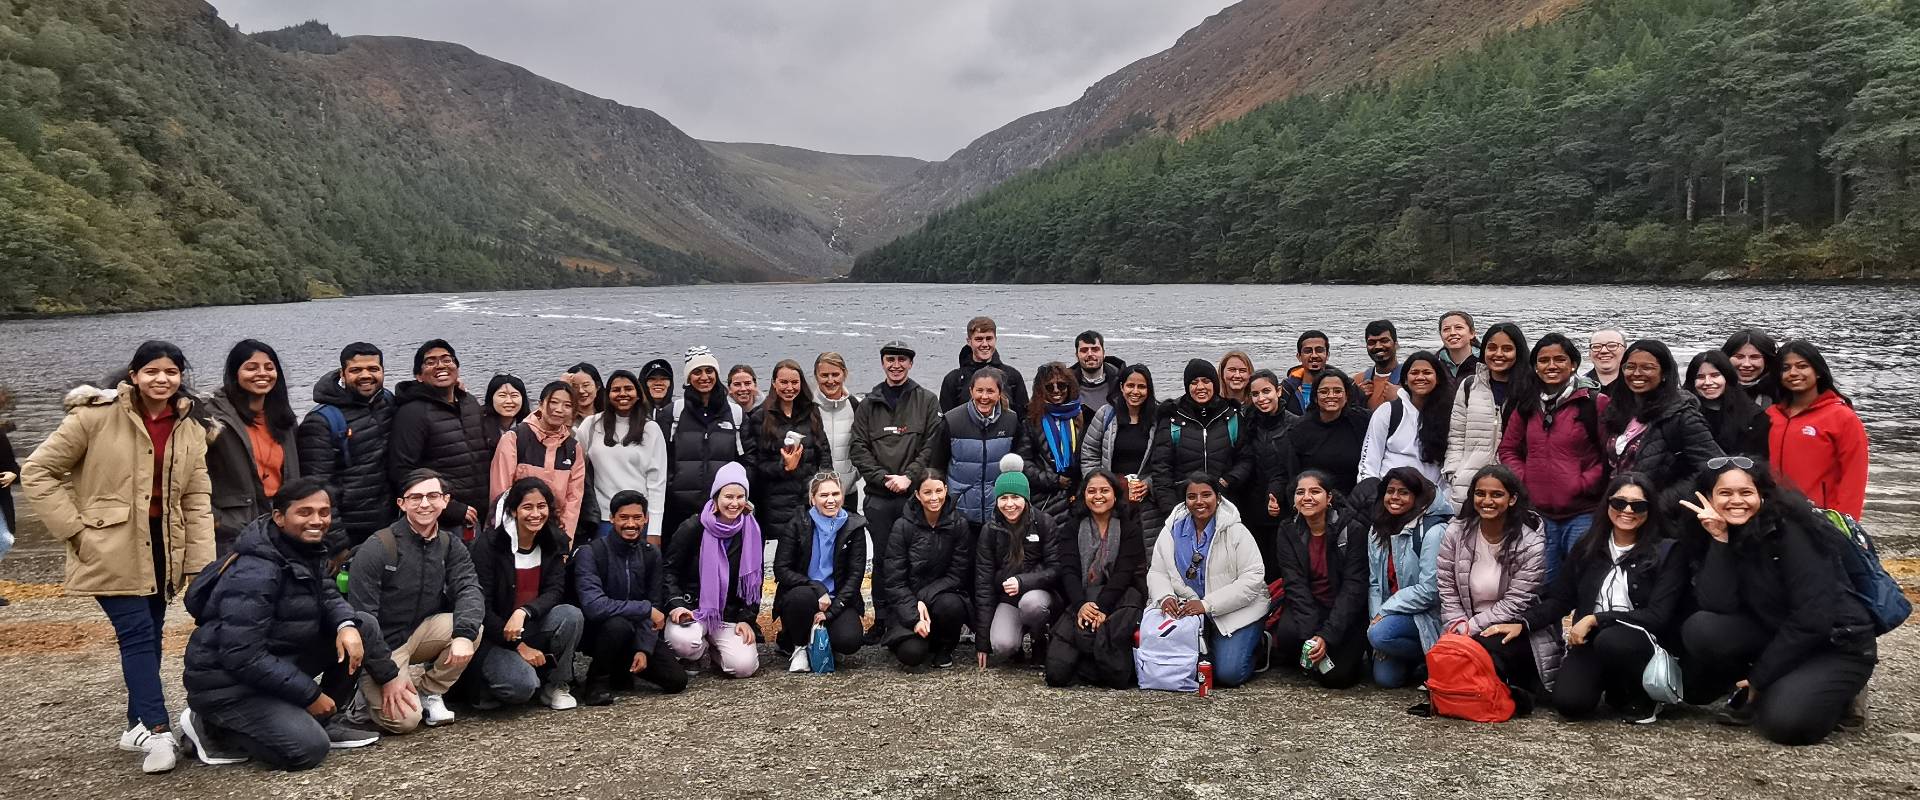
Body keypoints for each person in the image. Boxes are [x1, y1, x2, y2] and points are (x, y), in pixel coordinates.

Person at [21, 341, 215, 774]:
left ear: (181, 376)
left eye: (171, 371)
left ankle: (134, 726)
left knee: (151, 633)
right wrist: (74, 529)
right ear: (133, 374)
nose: (161, 379)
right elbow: (37, 471)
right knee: (137, 636)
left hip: (165, 545)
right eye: (152, 371)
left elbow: (196, 496)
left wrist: (200, 561)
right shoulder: (93, 418)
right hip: (110, 545)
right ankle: (159, 732)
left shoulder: (190, 427)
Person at [179, 478, 379, 770]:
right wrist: (310, 695)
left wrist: (346, 624)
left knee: (362, 626)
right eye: (305, 512)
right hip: (229, 686)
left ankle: (324, 718)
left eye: (324, 512)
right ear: (279, 517)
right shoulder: (256, 570)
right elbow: (241, 655)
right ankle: (210, 726)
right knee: (307, 750)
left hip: (274, 663)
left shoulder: (302, 549)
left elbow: (328, 595)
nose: (317, 520)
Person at [1678, 460, 1877, 745]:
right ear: (1708, 498)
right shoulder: (1722, 532)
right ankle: (1781, 683)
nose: (1736, 501)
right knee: (1702, 629)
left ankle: (1841, 695)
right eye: (1725, 493)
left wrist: (1761, 677)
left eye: (1746, 492)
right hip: (1780, 632)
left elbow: (1813, 619)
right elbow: (1718, 604)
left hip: (1836, 644)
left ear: (1762, 494)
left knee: (1787, 725)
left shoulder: (1793, 532)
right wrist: (1719, 539)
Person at [1536, 473, 1686, 723]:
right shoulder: (1587, 547)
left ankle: (1643, 694)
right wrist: (1522, 622)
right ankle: (1612, 685)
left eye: (1638, 505)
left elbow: (1658, 616)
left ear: (1650, 510)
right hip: (1591, 641)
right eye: (1619, 503)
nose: (1627, 510)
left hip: (1641, 640)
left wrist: (1597, 618)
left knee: (1611, 639)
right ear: (1607, 505)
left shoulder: (1667, 551)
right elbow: (1560, 599)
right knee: (1570, 704)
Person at [348, 470, 486, 734]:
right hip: (382, 644)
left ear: (446, 500)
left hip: (420, 631)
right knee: (405, 722)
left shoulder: (449, 543)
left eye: (433, 496)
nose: (425, 504)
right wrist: (386, 675)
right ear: (401, 503)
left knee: (471, 628)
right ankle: (362, 695)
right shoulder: (378, 546)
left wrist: (463, 635)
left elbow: (469, 588)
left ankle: (429, 691)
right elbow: (362, 618)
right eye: (416, 497)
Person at [1437, 465, 1557, 702]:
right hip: (1463, 624)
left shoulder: (1530, 543)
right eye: (1480, 494)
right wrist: (1458, 625)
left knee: (1483, 653)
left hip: (1510, 626)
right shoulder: (1455, 532)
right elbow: (1446, 586)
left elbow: (1516, 602)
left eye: (1496, 494)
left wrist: (1471, 628)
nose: (1486, 501)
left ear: (1512, 499)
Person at [464, 477, 582, 711]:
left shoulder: (554, 540)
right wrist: (519, 647)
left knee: (571, 614)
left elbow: (555, 590)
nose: (536, 514)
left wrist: (524, 611)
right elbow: (481, 607)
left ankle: (557, 683)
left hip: (530, 624)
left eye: (542, 506)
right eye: (527, 507)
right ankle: (482, 683)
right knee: (522, 688)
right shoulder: (489, 546)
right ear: (513, 510)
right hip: (494, 635)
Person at [1499, 333, 1609, 582]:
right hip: (1538, 513)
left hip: (1583, 511)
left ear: (1573, 364)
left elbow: (1610, 455)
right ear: (1535, 366)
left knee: (1584, 581)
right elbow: (1508, 449)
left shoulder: (1594, 403)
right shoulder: (1526, 405)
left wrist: (1581, 483)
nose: (1551, 365)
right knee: (1542, 584)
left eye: (1559, 359)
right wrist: (1525, 480)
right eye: (1543, 360)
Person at [852, 340, 943, 641]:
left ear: (911, 364)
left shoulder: (927, 400)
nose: (896, 365)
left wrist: (909, 478)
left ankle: (914, 615)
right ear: (882, 363)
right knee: (882, 560)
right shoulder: (868, 404)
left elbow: (931, 446)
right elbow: (858, 448)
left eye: (902, 360)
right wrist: (881, 478)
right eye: (890, 359)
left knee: (916, 558)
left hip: (914, 497)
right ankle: (882, 618)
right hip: (879, 498)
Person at [1146, 473, 1267, 689]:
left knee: (1228, 674)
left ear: (1218, 497)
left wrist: (1206, 604)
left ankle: (1257, 646)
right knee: (1184, 670)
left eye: (1206, 495)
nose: (1199, 502)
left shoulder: (1235, 530)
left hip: (1234, 611)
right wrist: (1165, 597)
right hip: (1188, 609)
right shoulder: (1171, 530)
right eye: (1192, 496)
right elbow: (1157, 571)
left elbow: (1253, 578)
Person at [573, 491, 687, 705]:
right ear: (612, 518)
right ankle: (595, 682)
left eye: (637, 518)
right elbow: (594, 606)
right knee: (618, 626)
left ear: (646, 519)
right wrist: (644, 609)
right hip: (598, 631)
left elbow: (654, 605)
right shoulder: (591, 552)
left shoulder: (650, 553)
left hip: (636, 630)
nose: (631, 524)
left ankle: (621, 667)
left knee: (676, 680)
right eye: (624, 518)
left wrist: (643, 648)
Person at [1045, 472, 1149, 687]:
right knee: (1056, 674)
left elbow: (1124, 573)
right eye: (1091, 491)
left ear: (1114, 494)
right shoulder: (1072, 527)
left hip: (1118, 597)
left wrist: (1102, 607)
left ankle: (1094, 663)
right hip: (1081, 597)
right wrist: (1082, 605)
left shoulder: (1129, 528)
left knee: (1114, 670)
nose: (1098, 496)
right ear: (1084, 495)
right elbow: (1069, 571)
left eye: (1104, 490)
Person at [1271, 471, 1371, 689]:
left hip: (1343, 609)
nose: (1307, 497)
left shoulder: (1352, 529)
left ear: (1329, 498)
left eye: (1315, 491)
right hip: (1310, 605)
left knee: (1338, 678)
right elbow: (1294, 584)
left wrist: (1327, 635)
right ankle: (1313, 652)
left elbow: (1354, 589)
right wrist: (1313, 636)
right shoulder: (1288, 530)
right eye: (1300, 492)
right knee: (1287, 636)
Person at [664, 462, 763, 678]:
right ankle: (697, 653)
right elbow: (669, 570)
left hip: (729, 614)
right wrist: (677, 605)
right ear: (716, 497)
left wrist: (747, 618)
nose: (734, 503)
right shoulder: (693, 527)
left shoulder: (752, 530)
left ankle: (718, 652)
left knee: (744, 667)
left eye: (740, 497)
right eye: (728, 496)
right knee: (682, 642)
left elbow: (755, 581)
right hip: (694, 608)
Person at [205, 339, 301, 556]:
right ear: (234, 373)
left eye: (269, 367)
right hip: (234, 532)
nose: (262, 373)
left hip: (282, 525)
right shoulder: (212, 418)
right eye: (251, 367)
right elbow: (190, 477)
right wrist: (218, 521)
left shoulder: (284, 419)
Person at [297, 342, 395, 552]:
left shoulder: (387, 402)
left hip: (388, 523)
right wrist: (338, 545)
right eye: (356, 370)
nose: (366, 375)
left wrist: (455, 388)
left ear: (383, 371)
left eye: (373, 369)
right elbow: (317, 488)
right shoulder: (321, 421)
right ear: (342, 373)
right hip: (350, 531)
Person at [388, 340, 491, 534]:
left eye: (446, 359)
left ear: (457, 367)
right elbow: (402, 471)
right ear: (418, 376)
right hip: (443, 520)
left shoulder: (469, 403)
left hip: (481, 514)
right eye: (430, 362)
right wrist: (448, 507)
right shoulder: (412, 412)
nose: (440, 365)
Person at [1364, 468, 1451, 688]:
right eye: (1390, 491)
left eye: (1403, 492)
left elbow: (1430, 591)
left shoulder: (1433, 531)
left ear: (1417, 496)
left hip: (1425, 614)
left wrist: (1384, 614)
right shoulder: (1377, 530)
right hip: (1390, 615)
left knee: (1380, 634)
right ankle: (1416, 662)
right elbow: (1375, 583)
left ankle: (1429, 656)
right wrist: (1376, 616)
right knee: (1386, 680)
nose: (1394, 497)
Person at [973, 469, 1069, 667]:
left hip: (1039, 594)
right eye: (1003, 498)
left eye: (1015, 497)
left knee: (1031, 605)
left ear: (1025, 498)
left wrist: (1023, 582)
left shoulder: (1044, 522)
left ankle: (1039, 640)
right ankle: (1015, 647)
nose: (1009, 504)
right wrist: (982, 642)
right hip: (1007, 599)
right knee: (1002, 645)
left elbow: (1055, 569)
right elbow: (983, 583)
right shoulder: (989, 530)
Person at [881, 470, 973, 670]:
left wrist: (923, 597)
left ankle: (944, 647)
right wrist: (914, 613)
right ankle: (915, 636)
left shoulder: (959, 524)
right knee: (912, 655)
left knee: (952, 604)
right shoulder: (902, 526)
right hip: (907, 601)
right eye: (927, 492)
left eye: (939, 491)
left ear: (946, 490)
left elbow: (958, 574)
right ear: (917, 495)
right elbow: (894, 581)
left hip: (941, 596)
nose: (934, 498)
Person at [1604, 339, 1724, 492]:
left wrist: (1670, 500)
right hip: (1620, 506)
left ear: (1665, 374)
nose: (1636, 373)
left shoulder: (1683, 417)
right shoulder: (1618, 411)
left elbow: (1716, 468)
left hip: (1661, 510)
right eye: (1630, 367)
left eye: (1647, 367)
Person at [1147, 360, 1249, 538]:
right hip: (1183, 505)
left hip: (1224, 504)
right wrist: (1171, 510)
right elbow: (1161, 468)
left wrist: (1227, 481)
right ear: (1187, 386)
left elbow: (1245, 458)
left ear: (1215, 384)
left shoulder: (1231, 416)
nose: (1200, 387)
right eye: (1194, 383)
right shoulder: (1172, 418)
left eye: (1206, 381)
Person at [771, 473, 868, 660]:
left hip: (838, 598)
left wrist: (831, 613)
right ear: (812, 498)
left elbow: (855, 577)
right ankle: (798, 644)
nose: (830, 500)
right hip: (805, 595)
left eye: (835, 494)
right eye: (823, 495)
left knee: (849, 641)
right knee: (801, 597)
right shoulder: (797, 523)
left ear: (843, 496)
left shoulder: (854, 526)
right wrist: (817, 587)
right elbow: (781, 569)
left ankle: (826, 639)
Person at [1766, 341, 1868, 518]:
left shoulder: (1842, 417)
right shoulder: (1771, 415)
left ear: (1818, 371)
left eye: (1802, 366)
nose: (1793, 373)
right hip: (1774, 513)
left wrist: (1844, 522)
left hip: (1821, 515)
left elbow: (1854, 477)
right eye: (1786, 368)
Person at [663, 346, 745, 546]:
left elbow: (746, 460)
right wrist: (673, 488)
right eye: (697, 372)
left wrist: (734, 496)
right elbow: (662, 460)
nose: (704, 377)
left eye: (709, 371)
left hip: (724, 510)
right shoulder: (673, 413)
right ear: (688, 377)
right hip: (680, 510)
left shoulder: (735, 414)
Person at [577, 369, 668, 543]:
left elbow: (657, 483)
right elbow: (573, 460)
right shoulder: (591, 425)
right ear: (608, 394)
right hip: (604, 518)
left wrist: (655, 530)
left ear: (638, 394)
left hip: (639, 520)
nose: (623, 394)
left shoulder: (651, 429)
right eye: (616, 390)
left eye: (628, 389)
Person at [1442, 323, 1527, 506]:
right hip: (1468, 486)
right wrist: (1454, 473)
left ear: (1518, 352)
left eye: (1507, 349)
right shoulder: (1469, 386)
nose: (1498, 354)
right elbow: (1456, 437)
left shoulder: (1530, 390)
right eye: (1492, 347)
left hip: (1514, 488)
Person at [489, 381, 586, 537]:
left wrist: (565, 540)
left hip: (553, 533)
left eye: (567, 405)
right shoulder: (515, 438)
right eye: (553, 402)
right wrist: (506, 537)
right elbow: (500, 493)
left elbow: (573, 500)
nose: (559, 410)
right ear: (541, 404)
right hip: (515, 531)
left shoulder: (573, 448)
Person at [742, 359, 827, 529]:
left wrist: (825, 484)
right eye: (784, 382)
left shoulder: (812, 412)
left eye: (795, 382)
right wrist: (784, 467)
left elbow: (824, 452)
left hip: (808, 496)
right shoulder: (760, 417)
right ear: (774, 383)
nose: (790, 388)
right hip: (776, 501)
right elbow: (757, 464)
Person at [941, 367, 1024, 531]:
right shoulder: (952, 420)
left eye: (990, 391)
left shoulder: (1011, 420)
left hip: (999, 510)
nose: (984, 397)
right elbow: (938, 463)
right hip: (960, 511)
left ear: (999, 393)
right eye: (979, 390)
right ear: (971, 391)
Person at [1079, 364, 1157, 528]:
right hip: (1110, 496)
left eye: (1141, 387)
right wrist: (1100, 485)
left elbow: (1165, 460)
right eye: (1130, 385)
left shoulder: (1157, 419)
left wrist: (1149, 484)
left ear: (1149, 390)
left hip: (1145, 501)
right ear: (1121, 387)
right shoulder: (1106, 414)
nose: (1135, 391)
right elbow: (1089, 453)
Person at [1359, 351, 1450, 487]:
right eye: (1414, 373)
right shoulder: (1388, 412)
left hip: (1432, 500)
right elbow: (1368, 462)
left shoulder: (1450, 415)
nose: (1420, 377)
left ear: (1438, 379)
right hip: (1389, 497)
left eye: (1427, 373)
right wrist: (1370, 494)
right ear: (1406, 380)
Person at [1278, 368, 1371, 496]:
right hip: (1316, 503)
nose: (1331, 396)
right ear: (1315, 397)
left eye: (1337, 391)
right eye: (1324, 391)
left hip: (1356, 500)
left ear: (1347, 396)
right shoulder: (1299, 430)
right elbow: (1291, 476)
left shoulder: (1364, 421)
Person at [1242, 369, 1296, 575]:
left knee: (1281, 565)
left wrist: (1279, 496)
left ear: (1279, 391)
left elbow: (1291, 469)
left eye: (1266, 391)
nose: (1261, 398)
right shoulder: (1248, 422)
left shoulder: (1294, 424)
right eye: (1255, 394)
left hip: (1283, 507)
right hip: (1252, 506)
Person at [1019, 362, 1084, 525]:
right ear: (1041, 390)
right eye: (1049, 387)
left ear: (1069, 388)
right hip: (1045, 500)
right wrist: (1054, 480)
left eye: (1061, 386)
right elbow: (1024, 463)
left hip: (1076, 498)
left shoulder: (1083, 418)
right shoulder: (1031, 422)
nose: (1056, 391)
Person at [1686, 350, 1770, 463]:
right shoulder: (1683, 413)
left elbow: (1759, 460)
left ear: (1727, 377)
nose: (1708, 382)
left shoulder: (1754, 416)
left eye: (1715, 375)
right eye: (1700, 377)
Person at [939, 316, 1030, 415]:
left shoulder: (1012, 376)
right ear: (969, 341)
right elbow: (945, 421)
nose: (985, 344)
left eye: (989, 339)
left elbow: (1023, 418)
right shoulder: (954, 379)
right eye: (979, 339)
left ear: (995, 339)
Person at [813, 352, 863, 508]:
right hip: (814, 496)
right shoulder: (807, 408)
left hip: (847, 493)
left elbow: (866, 446)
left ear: (845, 374)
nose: (830, 381)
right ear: (816, 376)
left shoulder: (857, 406)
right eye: (824, 375)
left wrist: (853, 476)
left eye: (835, 374)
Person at [1721, 328, 1781, 408]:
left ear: (1767, 361)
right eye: (1739, 357)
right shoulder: (1710, 388)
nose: (1746, 364)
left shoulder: (1782, 392)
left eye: (1755, 357)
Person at [1279, 332, 1329, 416]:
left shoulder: (1344, 387)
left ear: (1327, 355)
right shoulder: (1285, 390)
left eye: (1319, 350)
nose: (1314, 355)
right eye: (1308, 351)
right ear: (1299, 356)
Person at [1073, 330, 1123, 413]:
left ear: (1103, 353)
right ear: (1077, 355)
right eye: (1084, 350)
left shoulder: (1122, 380)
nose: (1090, 354)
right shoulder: (1065, 384)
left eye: (1095, 349)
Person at [481, 373, 529, 455]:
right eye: (502, 395)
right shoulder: (478, 426)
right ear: (491, 398)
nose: (509, 401)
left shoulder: (531, 425)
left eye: (514, 395)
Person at [1359, 320, 1402, 409]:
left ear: (1396, 344)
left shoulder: (1410, 380)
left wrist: (1403, 397)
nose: (1378, 346)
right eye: (1372, 343)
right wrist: (1356, 398)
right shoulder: (1357, 381)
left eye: (1384, 341)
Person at [639, 359, 677, 450]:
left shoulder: (677, 414)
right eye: (652, 379)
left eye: (664, 379)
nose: (659, 383)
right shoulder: (633, 414)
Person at [1586, 329, 1627, 402]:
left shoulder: (1637, 385)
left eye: (1612, 345)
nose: (1603, 351)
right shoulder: (1577, 387)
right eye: (1596, 347)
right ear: (1589, 354)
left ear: (1625, 351)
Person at [1437, 311, 1480, 377]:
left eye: (1458, 328)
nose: (1452, 333)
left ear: (1472, 333)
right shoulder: (1433, 364)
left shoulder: (1486, 361)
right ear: (1441, 335)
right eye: (1446, 329)